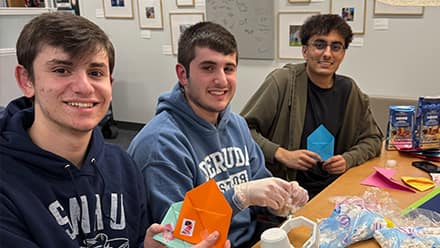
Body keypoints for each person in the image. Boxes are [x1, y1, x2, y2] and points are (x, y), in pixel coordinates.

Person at [0, 12, 227, 248]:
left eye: (96, 73)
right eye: (61, 70)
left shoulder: (121, 165)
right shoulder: (7, 186)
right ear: (26, 80)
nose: (84, 87)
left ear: (110, 83)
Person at [127, 21, 309, 248]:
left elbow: (259, 183)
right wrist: (238, 196)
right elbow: (178, 234)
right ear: (183, 75)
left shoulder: (238, 125)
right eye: (208, 68)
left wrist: (280, 199)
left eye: (229, 68)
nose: (221, 80)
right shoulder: (158, 144)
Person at [240, 14, 383, 199]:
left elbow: (373, 139)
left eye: (336, 47)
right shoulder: (282, 82)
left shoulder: (349, 90)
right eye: (320, 45)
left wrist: (349, 159)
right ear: (305, 51)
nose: (327, 54)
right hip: (287, 192)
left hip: (334, 190)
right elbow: (241, 131)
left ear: (343, 54)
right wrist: (281, 154)